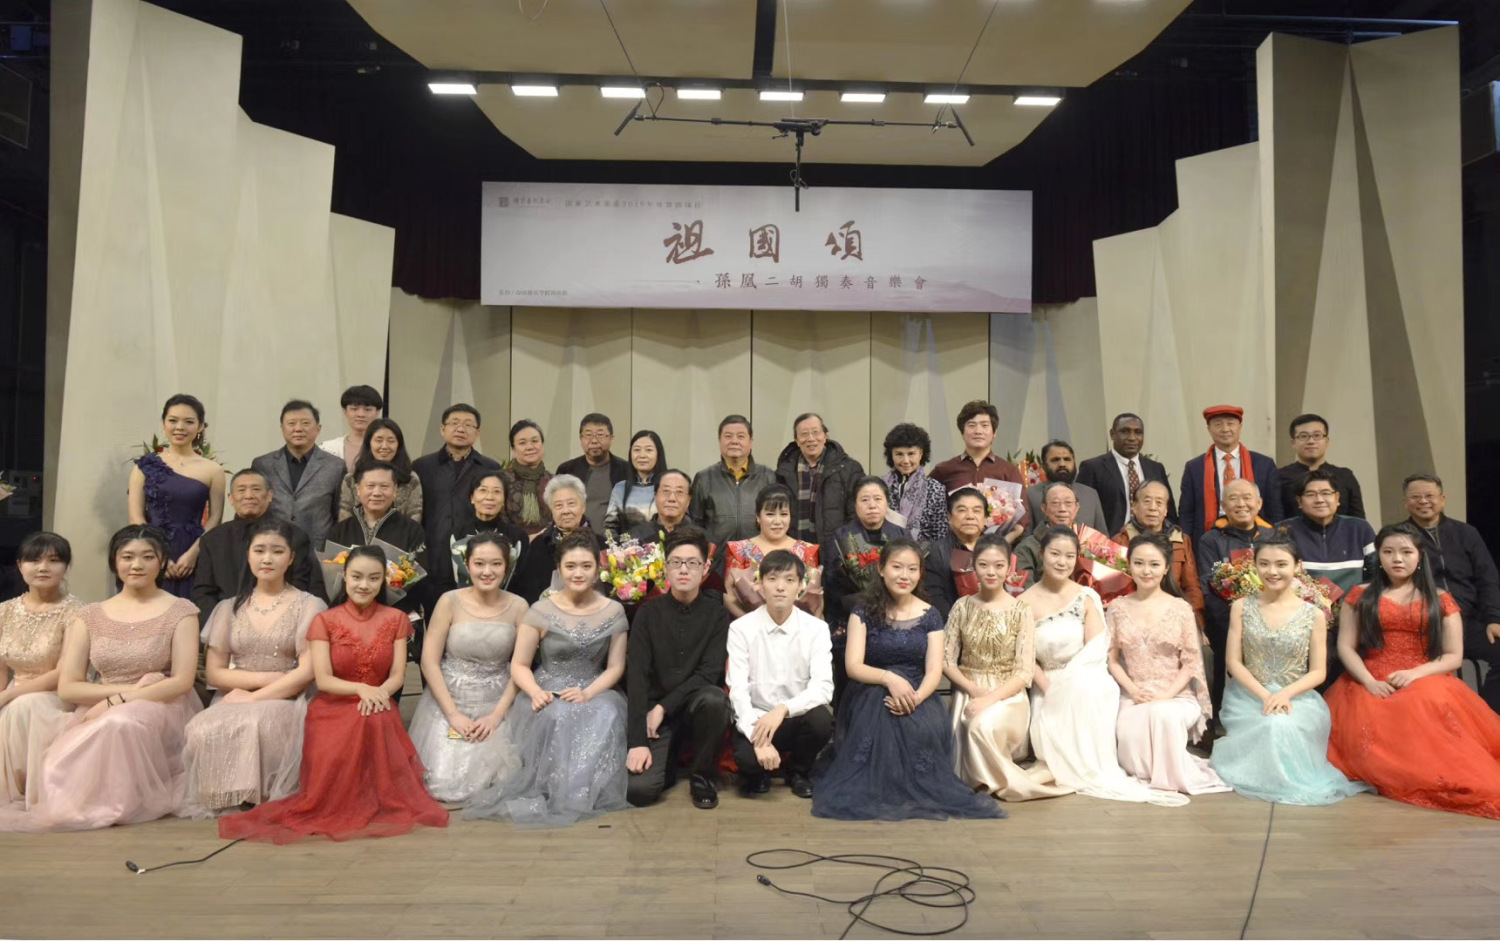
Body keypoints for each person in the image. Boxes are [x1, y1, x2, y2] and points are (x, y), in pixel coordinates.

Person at [219, 545, 449, 842]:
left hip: (377, 700)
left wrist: (379, 694)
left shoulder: (396, 619)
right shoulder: (325, 621)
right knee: (361, 721)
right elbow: (324, 680)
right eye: (356, 577)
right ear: (344, 577)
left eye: (373, 578)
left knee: (376, 718)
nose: (364, 585)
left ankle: (374, 799)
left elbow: (397, 676)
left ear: (383, 581)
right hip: (333, 705)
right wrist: (362, 689)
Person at [0, 525, 201, 831]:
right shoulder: (91, 615)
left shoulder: (181, 611)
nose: (136, 565)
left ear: (161, 562)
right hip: (99, 703)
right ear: (114, 562)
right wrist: (111, 698)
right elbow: (69, 687)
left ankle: (115, 804)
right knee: (61, 759)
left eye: (147, 557)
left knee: (119, 723)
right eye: (127, 557)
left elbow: (181, 681)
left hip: (161, 703)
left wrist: (117, 701)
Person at [810, 538, 1005, 821]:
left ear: (920, 573)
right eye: (897, 567)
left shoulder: (930, 614)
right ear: (881, 569)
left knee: (918, 733)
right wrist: (889, 678)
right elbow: (853, 666)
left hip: (919, 693)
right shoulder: (862, 611)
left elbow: (934, 670)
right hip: (872, 689)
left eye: (912, 569)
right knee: (881, 724)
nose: (905, 576)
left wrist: (916, 697)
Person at [1325, 523, 1500, 820]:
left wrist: (1415, 674)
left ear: (1420, 556)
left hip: (1424, 674)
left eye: (1406, 552)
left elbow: (1453, 656)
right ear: (1378, 555)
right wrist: (1368, 681)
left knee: (1426, 701)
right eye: (1388, 552)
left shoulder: (1440, 598)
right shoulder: (1360, 594)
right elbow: (1346, 647)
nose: (1397, 559)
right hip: (1372, 677)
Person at [464, 532, 630, 828]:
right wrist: (535, 691)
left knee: (607, 711)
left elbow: (615, 667)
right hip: (547, 686)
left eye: (586, 566)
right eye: (570, 566)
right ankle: (555, 788)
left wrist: (588, 693)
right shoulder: (541, 610)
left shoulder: (613, 610)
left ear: (597, 569)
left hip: (595, 686)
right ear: (559, 569)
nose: (578, 573)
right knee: (557, 714)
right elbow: (520, 665)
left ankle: (582, 791)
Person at [1021, 527, 1181, 805]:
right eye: (1055, 554)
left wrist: (1072, 684)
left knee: (1095, 691)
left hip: (1087, 674)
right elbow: (1026, 657)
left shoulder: (1085, 596)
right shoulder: (1022, 603)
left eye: (1069, 556)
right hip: (1047, 681)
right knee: (1054, 725)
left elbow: (1096, 647)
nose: (1062, 562)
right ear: (1041, 554)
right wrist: (1051, 689)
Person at [1210, 534, 1369, 805]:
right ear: (1255, 566)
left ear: (1297, 566)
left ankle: (1288, 781)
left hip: (1297, 697)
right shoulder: (1240, 607)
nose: (1272, 571)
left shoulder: (1314, 614)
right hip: (1249, 696)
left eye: (1281, 564)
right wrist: (1265, 695)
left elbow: (1318, 672)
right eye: (1264, 564)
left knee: (1280, 724)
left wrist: (1284, 695)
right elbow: (1234, 662)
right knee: (1271, 723)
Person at [181, 520, 325, 815]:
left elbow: (306, 672)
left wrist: (255, 697)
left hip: (288, 697)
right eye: (259, 550)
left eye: (277, 551)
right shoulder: (228, 607)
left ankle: (259, 797)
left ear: (291, 558)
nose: (267, 559)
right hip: (234, 694)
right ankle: (226, 796)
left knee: (257, 721)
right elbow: (215, 672)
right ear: (248, 555)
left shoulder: (309, 605)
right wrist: (262, 679)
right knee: (201, 727)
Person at [943, 536, 1068, 801]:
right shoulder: (961, 606)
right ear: (973, 566)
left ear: (1009, 568)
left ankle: (1001, 782)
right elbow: (946, 661)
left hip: (1007, 695)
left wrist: (989, 698)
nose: (991, 572)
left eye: (999, 565)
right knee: (972, 722)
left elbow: (1024, 671)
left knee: (981, 726)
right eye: (984, 565)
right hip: (969, 690)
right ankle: (984, 779)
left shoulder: (1021, 610)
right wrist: (972, 689)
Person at [1106, 535, 1228, 796]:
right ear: (1129, 565)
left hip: (1175, 695)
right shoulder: (1116, 608)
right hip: (1134, 694)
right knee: (1130, 734)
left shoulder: (1181, 608)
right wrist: (1134, 691)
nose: (1146, 571)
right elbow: (1112, 659)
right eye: (1139, 563)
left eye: (1154, 564)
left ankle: (1169, 776)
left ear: (1165, 568)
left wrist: (1166, 695)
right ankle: (1147, 772)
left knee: (1162, 715)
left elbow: (1191, 662)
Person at [407, 534, 525, 803]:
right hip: (450, 698)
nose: (487, 571)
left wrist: (496, 717)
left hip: (498, 700)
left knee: (503, 779)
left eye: (496, 564)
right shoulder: (449, 601)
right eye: (479, 563)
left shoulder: (519, 606)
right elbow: (429, 661)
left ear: (506, 566)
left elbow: (521, 666)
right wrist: (453, 715)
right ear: (467, 564)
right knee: (442, 781)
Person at [626, 529, 732, 810]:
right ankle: (668, 760)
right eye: (676, 562)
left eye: (692, 563)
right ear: (665, 568)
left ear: (706, 568)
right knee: (639, 791)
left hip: (694, 707)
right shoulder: (647, 613)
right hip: (654, 714)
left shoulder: (717, 615)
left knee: (715, 699)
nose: (684, 570)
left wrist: (665, 706)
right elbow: (636, 677)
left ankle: (702, 777)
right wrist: (637, 741)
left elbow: (710, 673)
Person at [726, 549, 834, 799]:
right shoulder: (740, 629)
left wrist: (783, 709)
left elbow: (823, 688)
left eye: (789, 579)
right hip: (756, 718)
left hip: (794, 717)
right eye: (772, 579)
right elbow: (738, 690)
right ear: (759, 585)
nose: (780, 587)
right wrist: (759, 739)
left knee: (821, 720)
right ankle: (758, 773)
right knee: (748, 762)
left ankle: (798, 771)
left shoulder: (816, 629)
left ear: (801, 586)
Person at [1401, 473, 1500, 714]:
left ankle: (1486, 716)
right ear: (1405, 503)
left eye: (1429, 495)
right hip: (1425, 624)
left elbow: (1487, 579)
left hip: (1469, 621)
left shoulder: (1466, 533)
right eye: (1416, 497)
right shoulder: (1398, 536)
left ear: (1442, 499)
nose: (1423, 501)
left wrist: (1493, 619)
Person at [0, 533, 84, 808]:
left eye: (53, 560)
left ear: (66, 567)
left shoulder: (77, 613)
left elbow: (63, 673)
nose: (43, 567)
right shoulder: (5, 611)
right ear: (19, 565)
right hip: (14, 693)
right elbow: (1, 669)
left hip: (57, 695)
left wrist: (8, 696)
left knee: (24, 706)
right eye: (34, 560)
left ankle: (29, 792)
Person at [191, 469, 326, 626]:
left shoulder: (294, 535)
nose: (249, 495)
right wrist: (222, 624)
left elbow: (301, 585)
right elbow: (203, 592)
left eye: (256, 489)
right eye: (241, 490)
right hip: (224, 624)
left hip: (281, 623)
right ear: (231, 498)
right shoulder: (213, 539)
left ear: (270, 496)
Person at [1280, 468, 1377, 683]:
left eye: (1326, 493)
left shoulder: (1359, 529)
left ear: (1337, 498)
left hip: (1354, 619)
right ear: (1299, 501)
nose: (1319, 499)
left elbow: (1376, 575)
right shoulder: (1284, 531)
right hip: (1301, 623)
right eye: (1311, 494)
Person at [128, 394, 226, 597]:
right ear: (164, 423)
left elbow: (215, 519)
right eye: (173, 420)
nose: (180, 427)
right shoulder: (144, 466)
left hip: (193, 552)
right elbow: (136, 517)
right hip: (150, 550)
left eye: (189, 422)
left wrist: (194, 554)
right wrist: (158, 555)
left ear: (200, 427)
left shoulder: (213, 470)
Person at [821, 477, 910, 695]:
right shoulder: (840, 537)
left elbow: (911, 576)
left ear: (887, 503)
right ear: (855, 504)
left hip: (894, 615)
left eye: (878, 499)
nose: (872, 505)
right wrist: (866, 606)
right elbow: (832, 584)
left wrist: (889, 604)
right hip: (850, 615)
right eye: (865, 500)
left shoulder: (900, 535)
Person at [1196, 478, 1274, 723]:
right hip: (1227, 621)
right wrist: (1236, 623)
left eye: (1247, 498)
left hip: (1272, 619)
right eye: (1233, 498)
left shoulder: (1273, 537)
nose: (1241, 504)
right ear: (1223, 505)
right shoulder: (1211, 540)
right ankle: (1221, 720)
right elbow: (1208, 586)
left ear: (1259, 503)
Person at [415, 405, 503, 613]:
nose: (461, 429)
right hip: (432, 557)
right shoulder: (422, 467)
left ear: (477, 432)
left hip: (475, 559)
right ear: (442, 429)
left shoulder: (490, 467)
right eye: (454, 423)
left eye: (468, 425)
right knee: (435, 619)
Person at [324, 462, 429, 623]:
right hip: (347, 619)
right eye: (370, 486)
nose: (377, 492)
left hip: (394, 618)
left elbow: (419, 581)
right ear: (358, 489)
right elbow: (328, 576)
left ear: (395, 490)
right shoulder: (340, 530)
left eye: (384, 486)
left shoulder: (412, 531)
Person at [929, 400, 1029, 543]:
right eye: (971, 425)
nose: (978, 431)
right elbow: (928, 510)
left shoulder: (1009, 471)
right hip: (952, 547)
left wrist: (1003, 543)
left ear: (994, 433)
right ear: (962, 433)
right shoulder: (944, 470)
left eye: (984, 425)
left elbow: (1023, 516)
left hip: (997, 547)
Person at [1179, 404, 1283, 539]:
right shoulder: (1195, 467)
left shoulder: (1264, 464)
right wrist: (1185, 542)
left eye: (1230, 423)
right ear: (1209, 430)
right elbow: (1186, 513)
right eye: (1218, 424)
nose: (1225, 429)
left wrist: (1275, 539)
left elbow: (1275, 509)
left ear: (1240, 427)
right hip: (1209, 537)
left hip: (1255, 537)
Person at [252, 400, 345, 548]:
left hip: (317, 550)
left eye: (305, 423)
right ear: (282, 428)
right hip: (274, 547)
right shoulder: (263, 465)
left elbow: (338, 514)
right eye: (291, 423)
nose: (298, 429)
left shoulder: (335, 466)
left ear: (318, 429)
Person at [1112, 480, 1205, 625]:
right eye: (1147, 501)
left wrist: (1194, 623)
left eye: (1159, 502)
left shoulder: (1181, 540)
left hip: (1175, 618)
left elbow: (1192, 587)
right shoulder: (1120, 541)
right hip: (1133, 618)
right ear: (1134, 506)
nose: (1153, 508)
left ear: (1166, 509)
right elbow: (1113, 589)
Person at [723, 484, 821, 620]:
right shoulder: (739, 550)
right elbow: (729, 596)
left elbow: (816, 598)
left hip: (797, 628)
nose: (777, 521)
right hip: (751, 627)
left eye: (784, 514)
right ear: (758, 516)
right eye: (770, 514)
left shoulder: (806, 550)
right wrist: (750, 624)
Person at [1077, 412, 1176, 537]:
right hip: (1109, 542)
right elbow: (1083, 513)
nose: (1132, 438)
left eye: (1138, 432)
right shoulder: (1093, 468)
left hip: (1152, 540)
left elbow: (1169, 511)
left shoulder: (1156, 468)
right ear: (1112, 434)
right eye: (1125, 431)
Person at [774, 412, 865, 545]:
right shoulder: (784, 471)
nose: (811, 438)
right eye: (804, 434)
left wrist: (848, 549)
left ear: (825, 436)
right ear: (797, 441)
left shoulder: (849, 469)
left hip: (835, 549)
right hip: (794, 549)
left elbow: (856, 514)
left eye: (815, 432)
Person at [691, 415, 778, 546]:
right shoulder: (704, 478)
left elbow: (776, 519)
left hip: (758, 554)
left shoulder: (767, 476)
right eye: (728, 436)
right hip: (717, 555)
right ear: (719, 441)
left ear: (751, 442)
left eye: (740, 436)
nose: (734, 441)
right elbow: (695, 523)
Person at [510, 475, 590, 604]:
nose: (565, 511)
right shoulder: (538, 546)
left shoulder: (601, 545)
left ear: (583, 506)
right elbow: (528, 592)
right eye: (558, 505)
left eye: (571, 504)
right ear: (551, 510)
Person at [1277, 414, 1365, 520]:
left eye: (1317, 435)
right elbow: (1275, 518)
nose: (1311, 441)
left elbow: (1358, 519)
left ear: (1327, 441)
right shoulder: (1279, 477)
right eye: (1303, 436)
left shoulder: (1345, 475)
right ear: (1293, 443)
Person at [449, 472, 530, 589]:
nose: (489, 497)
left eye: (496, 491)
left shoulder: (517, 537)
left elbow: (522, 581)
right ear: (472, 498)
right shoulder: (455, 534)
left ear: (504, 500)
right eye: (483, 490)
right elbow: (445, 578)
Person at [556, 413, 631, 534]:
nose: (594, 441)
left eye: (600, 435)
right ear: (581, 439)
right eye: (588, 435)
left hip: (616, 540)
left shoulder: (626, 470)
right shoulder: (567, 470)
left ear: (611, 438)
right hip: (575, 539)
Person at [337, 418, 423, 523]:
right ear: (369, 443)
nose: (384, 446)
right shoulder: (351, 479)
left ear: (398, 445)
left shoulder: (410, 479)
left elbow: (414, 520)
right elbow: (344, 519)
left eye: (391, 441)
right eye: (378, 440)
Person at [923, 487, 991, 618]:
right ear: (950, 517)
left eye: (976, 511)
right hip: (951, 621)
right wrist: (959, 623)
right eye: (962, 510)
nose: (970, 516)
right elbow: (934, 596)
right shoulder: (937, 551)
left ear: (985, 518)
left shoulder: (996, 548)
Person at [880, 422, 950, 546]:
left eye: (911, 454)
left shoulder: (935, 488)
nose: (906, 461)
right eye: (899, 454)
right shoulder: (880, 486)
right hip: (884, 552)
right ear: (891, 455)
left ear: (921, 454)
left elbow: (940, 535)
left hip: (924, 555)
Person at [1023, 440, 1108, 536]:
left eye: (1067, 459)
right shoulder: (1030, 495)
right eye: (1055, 460)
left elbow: (1102, 537)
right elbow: (1026, 537)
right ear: (1044, 466)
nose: (1062, 464)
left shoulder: (1090, 494)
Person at [603, 430, 665, 540]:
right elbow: (609, 527)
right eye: (637, 450)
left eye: (648, 450)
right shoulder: (620, 488)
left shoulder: (668, 487)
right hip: (626, 548)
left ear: (658, 454)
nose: (642, 455)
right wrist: (622, 546)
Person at [501, 419, 552, 536]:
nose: (529, 447)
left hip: (549, 542)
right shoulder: (501, 480)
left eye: (535, 441)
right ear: (513, 449)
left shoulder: (554, 482)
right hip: (511, 543)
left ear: (542, 445)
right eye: (522, 443)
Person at [319, 384, 384, 474]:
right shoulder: (328, 449)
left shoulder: (387, 447)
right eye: (354, 409)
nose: (361, 414)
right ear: (345, 411)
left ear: (377, 412)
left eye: (367, 409)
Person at [626, 469, 699, 546]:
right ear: (655, 496)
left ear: (688, 500)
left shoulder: (701, 539)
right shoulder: (634, 539)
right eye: (666, 491)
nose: (672, 498)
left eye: (679, 492)